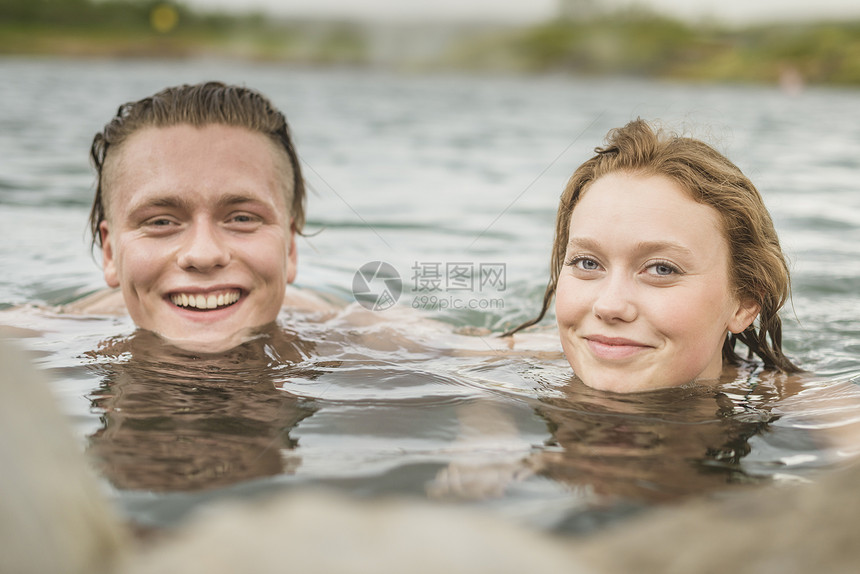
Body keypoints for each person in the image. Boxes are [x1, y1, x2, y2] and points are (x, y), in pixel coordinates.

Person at [506, 119, 799, 393]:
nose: (609, 306)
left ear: (744, 304)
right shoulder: (505, 365)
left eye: (661, 269)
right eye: (588, 263)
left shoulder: (811, 414)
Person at [70, 81, 331, 352]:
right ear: (110, 254)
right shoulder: (42, 338)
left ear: (289, 249)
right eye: (161, 222)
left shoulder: (364, 338)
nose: (204, 255)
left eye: (242, 219)